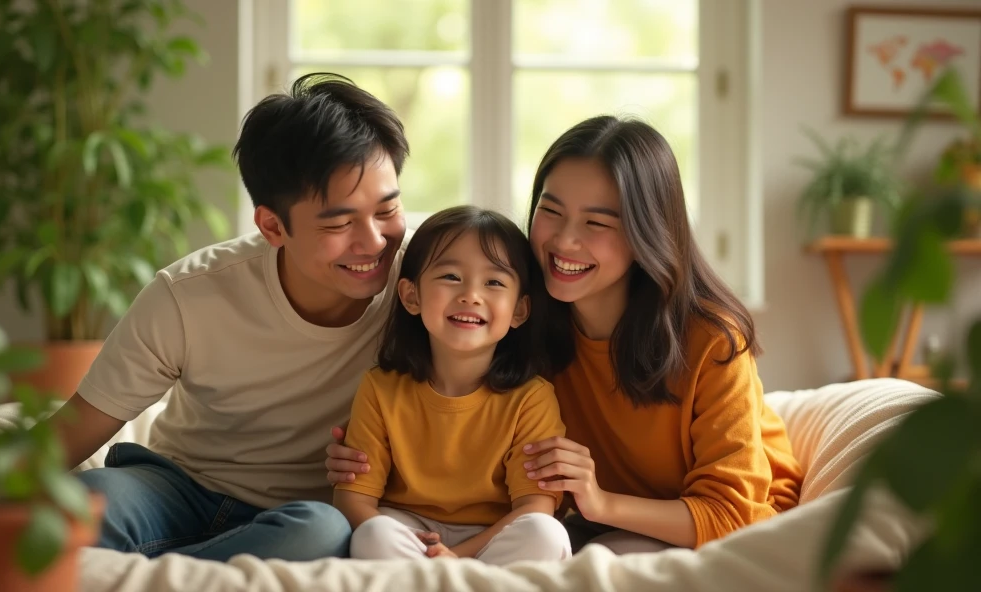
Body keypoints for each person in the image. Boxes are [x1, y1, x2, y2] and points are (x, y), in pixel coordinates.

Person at [327, 115, 804, 555]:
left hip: (726, 524)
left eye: (596, 222)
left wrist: (599, 502)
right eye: (550, 211)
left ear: (646, 232)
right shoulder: (526, 317)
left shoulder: (710, 340)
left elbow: (732, 513)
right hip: (597, 521)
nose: (564, 240)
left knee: (594, 561)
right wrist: (366, 458)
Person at [42, 73, 411, 562]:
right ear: (272, 226)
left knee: (321, 531)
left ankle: (160, 573)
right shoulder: (190, 296)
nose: (375, 241)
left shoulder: (424, 284)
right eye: (341, 223)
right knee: (76, 509)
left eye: (387, 210)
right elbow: (73, 430)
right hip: (175, 488)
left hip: (301, 513)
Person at [334, 205, 572, 565]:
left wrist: (456, 558)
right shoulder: (380, 388)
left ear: (520, 310)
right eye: (450, 277)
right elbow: (353, 498)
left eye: (494, 282)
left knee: (544, 532)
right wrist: (428, 553)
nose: (471, 295)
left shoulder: (532, 398)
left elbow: (534, 505)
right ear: (411, 296)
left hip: (492, 541)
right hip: (410, 534)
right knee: (373, 534)